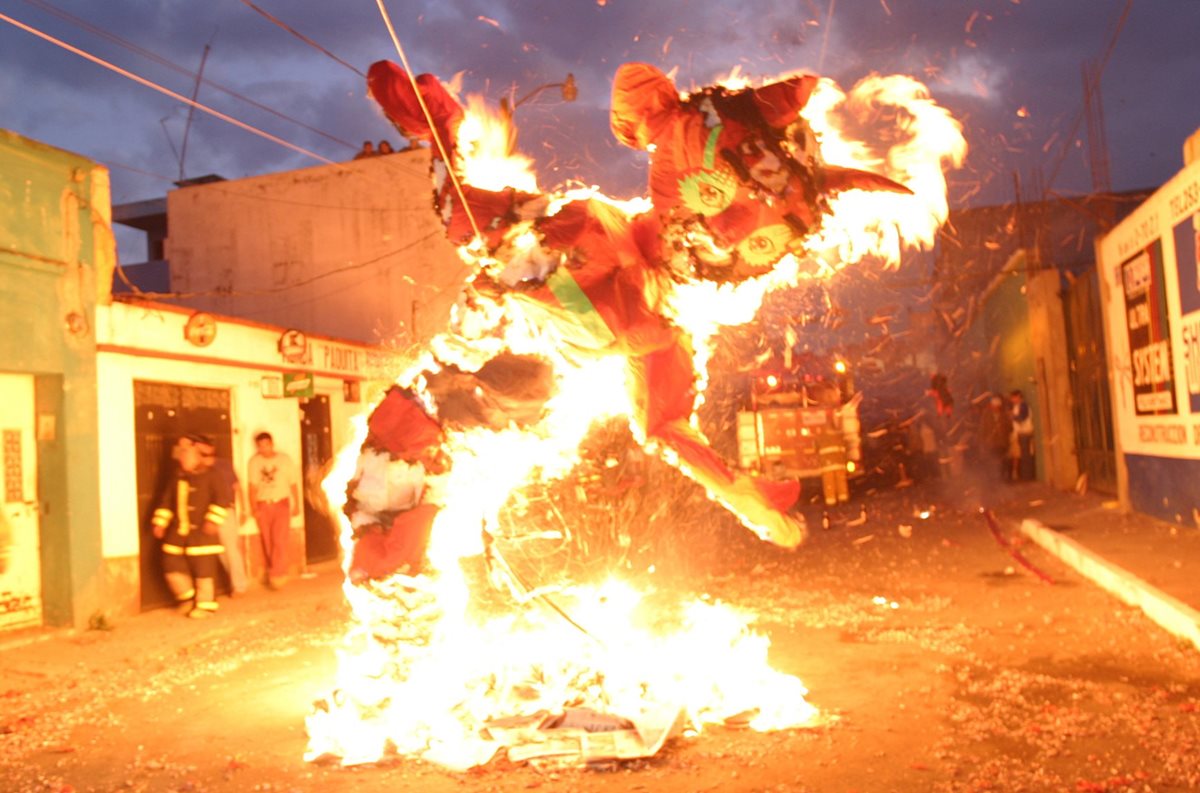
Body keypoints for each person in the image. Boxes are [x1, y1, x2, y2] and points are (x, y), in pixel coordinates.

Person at [151, 434, 232, 618]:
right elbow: (166, 501)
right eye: (181, 452)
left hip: (203, 533)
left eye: (187, 452)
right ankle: (187, 598)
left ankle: (205, 605)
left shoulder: (213, 475)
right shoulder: (177, 477)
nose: (182, 456)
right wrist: (160, 522)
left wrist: (213, 520)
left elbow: (223, 499)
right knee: (170, 565)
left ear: (197, 453)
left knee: (204, 570)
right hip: (178, 533)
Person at [247, 431, 300, 589]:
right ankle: (274, 571)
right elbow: (252, 487)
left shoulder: (284, 460)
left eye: (266, 445)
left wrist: (296, 504)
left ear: (272, 444)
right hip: (263, 504)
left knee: (280, 540)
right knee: (268, 541)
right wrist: (254, 508)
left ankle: (278, 574)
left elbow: (293, 484)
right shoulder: (254, 462)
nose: (264, 449)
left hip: (281, 503)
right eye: (260, 446)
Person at [210, 452, 248, 595]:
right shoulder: (199, 468)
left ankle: (239, 585)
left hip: (226, 510)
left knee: (231, 549)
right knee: (220, 551)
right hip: (208, 514)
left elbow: (237, 487)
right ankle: (234, 583)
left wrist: (244, 509)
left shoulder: (224, 465)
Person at [976, 394, 1013, 483]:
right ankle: (992, 480)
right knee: (991, 461)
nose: (995, 408)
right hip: (991, 443)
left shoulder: (1004, 415)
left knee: (1002, 462)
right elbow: (982, 429)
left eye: (997, 406)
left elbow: (1010, 428)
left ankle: (1001, 479)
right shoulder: (986, 415)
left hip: (1002, 443)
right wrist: (982, 442)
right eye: (994, 406)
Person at [1009, 389, 1035, 481]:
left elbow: (1021, 419)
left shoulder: (1023, 406)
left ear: (1018, 396)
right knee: (1022, 455)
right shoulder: (1017, 406)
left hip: (1025, 433)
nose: (1012, 399)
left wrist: (1012, 416)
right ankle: (1025, 475)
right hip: (1020, 433)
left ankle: (1027, 476)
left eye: (1013, 397)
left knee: (1025, 455)